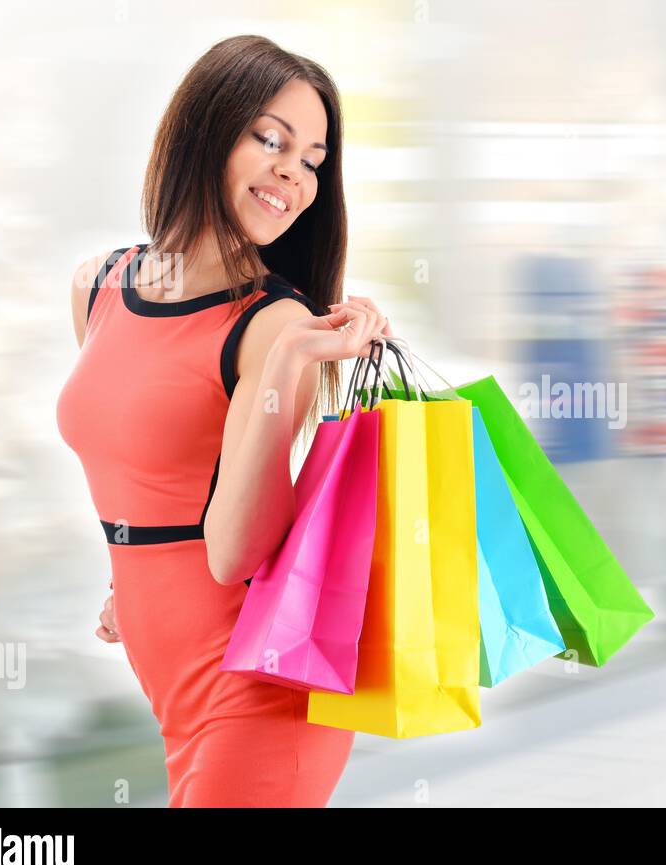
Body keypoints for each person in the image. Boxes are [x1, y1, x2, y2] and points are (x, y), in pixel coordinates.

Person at [55, 35, 391, 807]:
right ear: (206, 128)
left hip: (260, 689)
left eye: (312, 159)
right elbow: (139, 451)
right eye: (271, 139)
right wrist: (128, 580)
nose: (292, 173)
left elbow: (234, 550)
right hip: (170, 687)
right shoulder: (99, 284)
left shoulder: (274, 327)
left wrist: (283, 368)